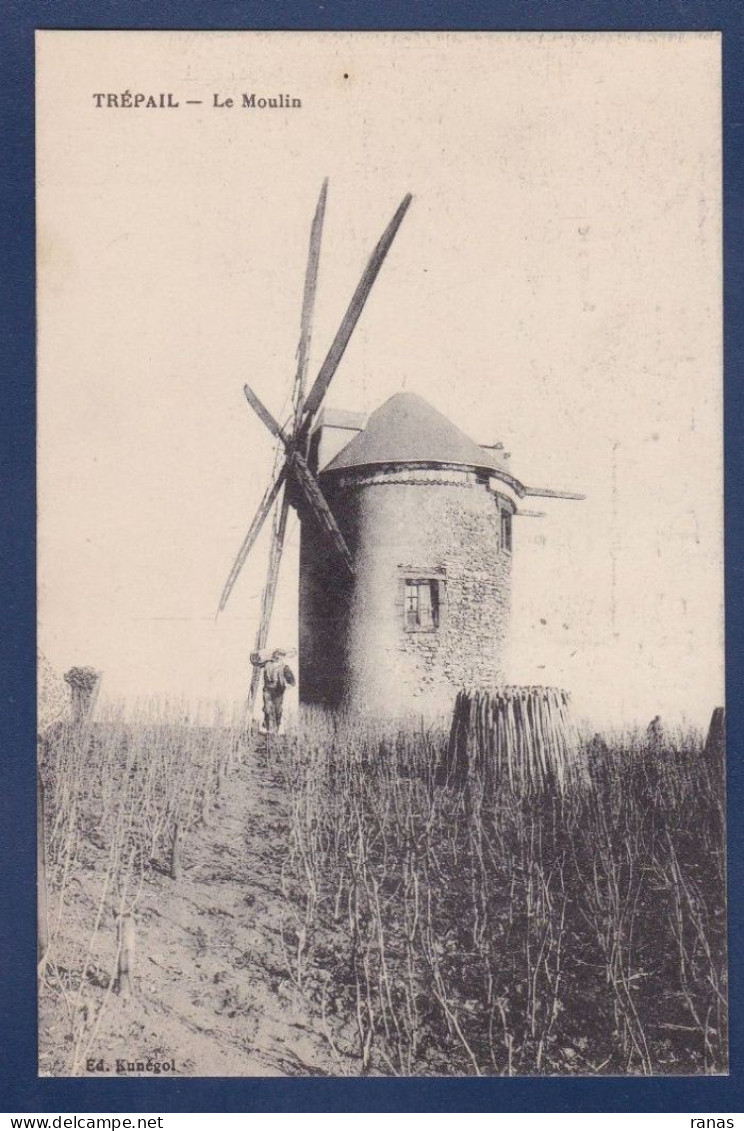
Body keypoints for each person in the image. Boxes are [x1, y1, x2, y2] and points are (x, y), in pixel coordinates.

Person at [250, 648, 296, 734]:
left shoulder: (285, 667)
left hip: (279, 691)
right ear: (274, 655)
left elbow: (292, 681)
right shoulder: (267, 663)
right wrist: (255, 654)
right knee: (267, 708)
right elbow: (255, 662)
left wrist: (288, 685)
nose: (278, 657)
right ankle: (267, 728)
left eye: (280, 656)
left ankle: (276, 729)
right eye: (277, 655)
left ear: (283, 657)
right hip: (268, 689)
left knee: (277, 710)